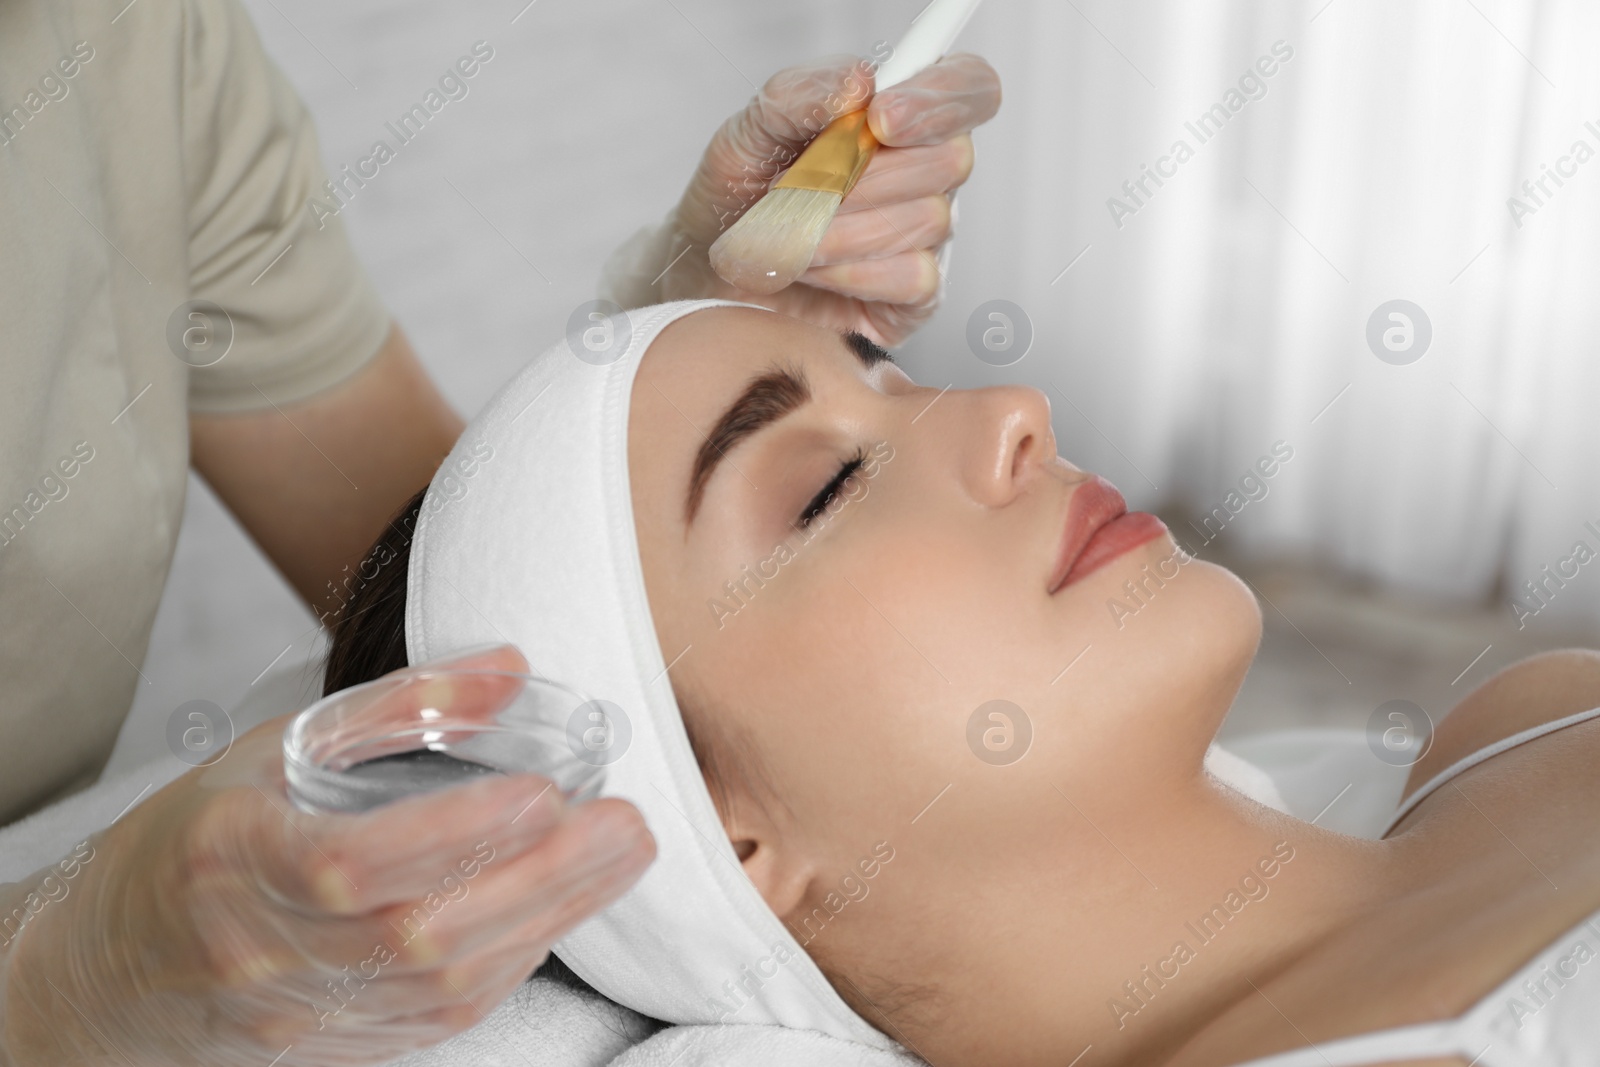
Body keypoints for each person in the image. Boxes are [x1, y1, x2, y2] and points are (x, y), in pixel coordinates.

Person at [0, 0, 1000, 1061]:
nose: (1013, 409)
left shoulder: (137, 42)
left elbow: (431, 605)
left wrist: (659, 357)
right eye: (827, 486)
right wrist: (60, 974)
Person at [321, 300, 1600, 1066]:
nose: (1011, 406)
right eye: (823, 488)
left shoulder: (1527, 718)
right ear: (709, 834)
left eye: (888, 373)